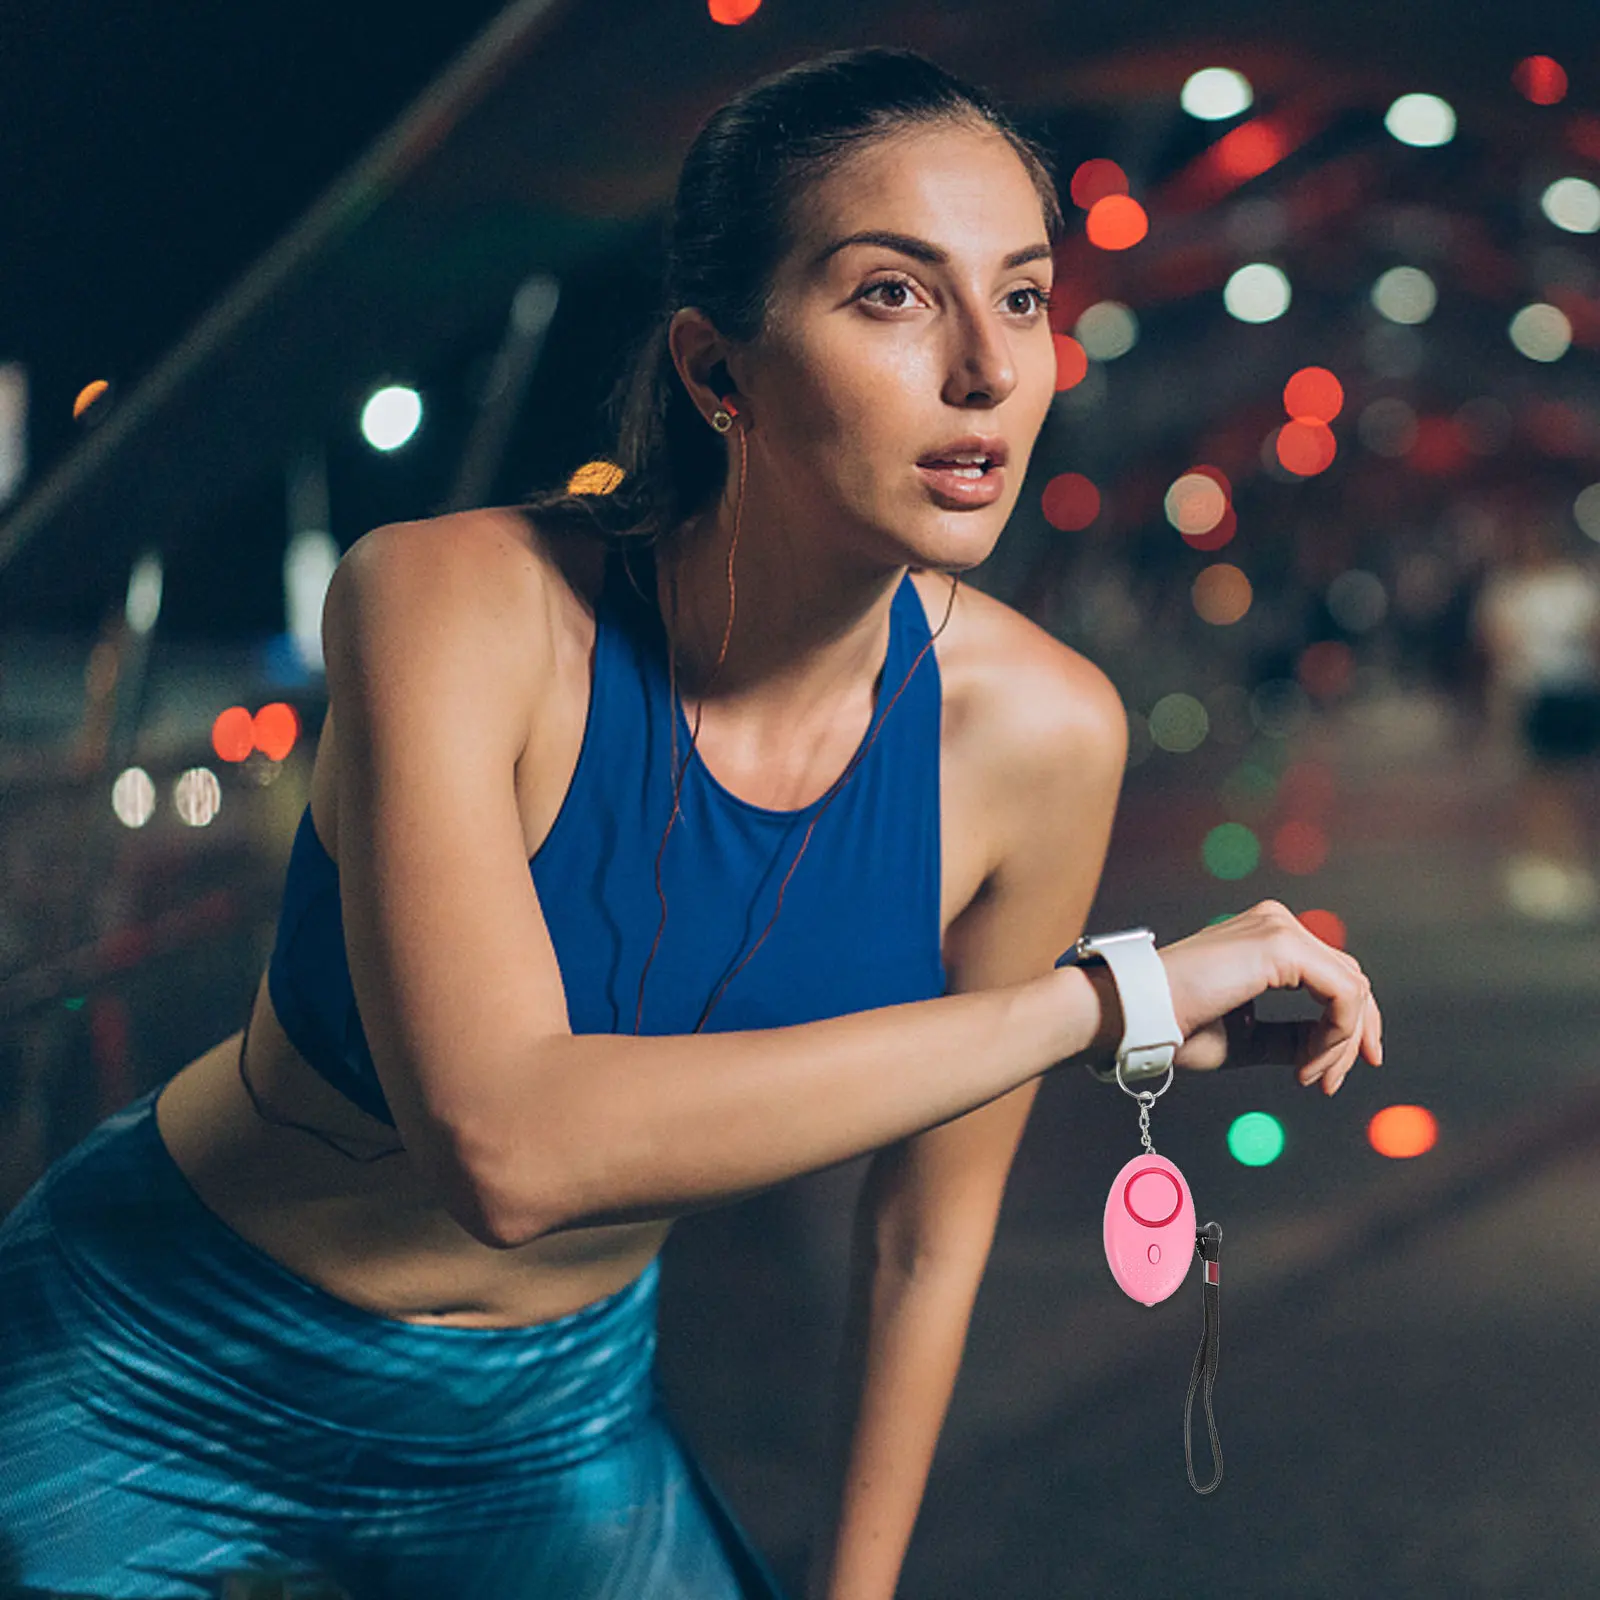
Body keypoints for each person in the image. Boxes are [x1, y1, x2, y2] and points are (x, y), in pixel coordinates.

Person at [0, 47, 1382, 1600]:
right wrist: (1102, 1004)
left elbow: (922, 1243)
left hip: (552, 1417)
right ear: (716, 372)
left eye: (1020, 295)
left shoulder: (1040, 736)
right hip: (153, 1354)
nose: (989, 372)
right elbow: (505, 1150)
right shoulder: (452, 603)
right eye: (891, 294)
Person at [1473, 507, 1600, 922]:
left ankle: (1572, 862)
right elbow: (1495, 640)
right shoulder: (1509, 588)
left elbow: (1593, 632)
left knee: (1576, 781)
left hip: (1573, 691)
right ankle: (1540, 862)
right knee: (1538, 781)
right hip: (1531, 693)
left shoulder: (1575, 584)